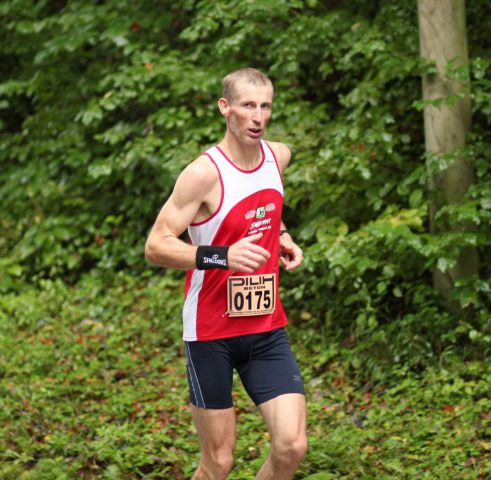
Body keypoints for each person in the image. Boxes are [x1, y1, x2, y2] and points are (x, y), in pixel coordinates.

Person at [145, 67, 307, 480]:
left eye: (265, 106)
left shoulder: (278, 156)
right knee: (218, 462)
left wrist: (282, 234)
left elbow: (265, 207)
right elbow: (156, 244)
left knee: (291, 446)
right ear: (225, 109)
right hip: (210, 331)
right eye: (248, 106)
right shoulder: (203, 173)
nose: (258, 116)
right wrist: (222, 256)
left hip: (265, 326)